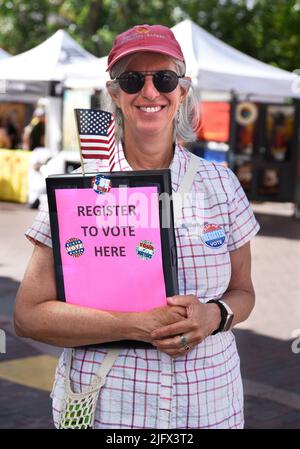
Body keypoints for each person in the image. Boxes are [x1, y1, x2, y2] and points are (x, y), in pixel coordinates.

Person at [14, 24, 259, 429]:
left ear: (182, 90)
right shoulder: (81, 189)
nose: (149, 92)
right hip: (111, 411)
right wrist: (134, 326)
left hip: (210, 406)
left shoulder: (221, 183)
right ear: (114, 93)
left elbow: (244, 292)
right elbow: (28, 316)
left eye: (163, 78)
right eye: (132, 79)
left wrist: (214, 315)